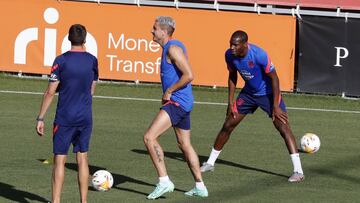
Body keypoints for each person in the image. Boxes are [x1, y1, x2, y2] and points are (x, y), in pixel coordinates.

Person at [200, 30, 305, 183]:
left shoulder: (259, 55)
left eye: (235, 45)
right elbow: (232, 76)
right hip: (248, 94)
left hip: (268, 94)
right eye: (230, 44)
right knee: (228, 124)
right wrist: (230, 102)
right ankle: (210, 163)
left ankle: (298, 171)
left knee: (283, 127)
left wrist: (275, 105)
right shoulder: (229, 55)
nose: (232, 48)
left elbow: (275, 78)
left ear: (245, 44)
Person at [144, 16, 208, 200]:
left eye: (154, 28)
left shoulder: (172, 48)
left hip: (177, 103)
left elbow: (189, 75)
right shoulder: (170, 48)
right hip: (183, 103)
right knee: (184, 144)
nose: (152, 31)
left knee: (149, 138)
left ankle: (164, 182)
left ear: (164, 31)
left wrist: (169, 91)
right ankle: (200, 186)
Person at [35, 24, 98, 203]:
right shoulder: (92, 60)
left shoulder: (61, 60)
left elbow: (50, 92)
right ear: (85, 40)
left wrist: (40, 117)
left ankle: (56, 201)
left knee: (60, 160)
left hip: (65, 117)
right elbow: (92, 88)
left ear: (68, 39)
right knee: (83, 159)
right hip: (85, 116)